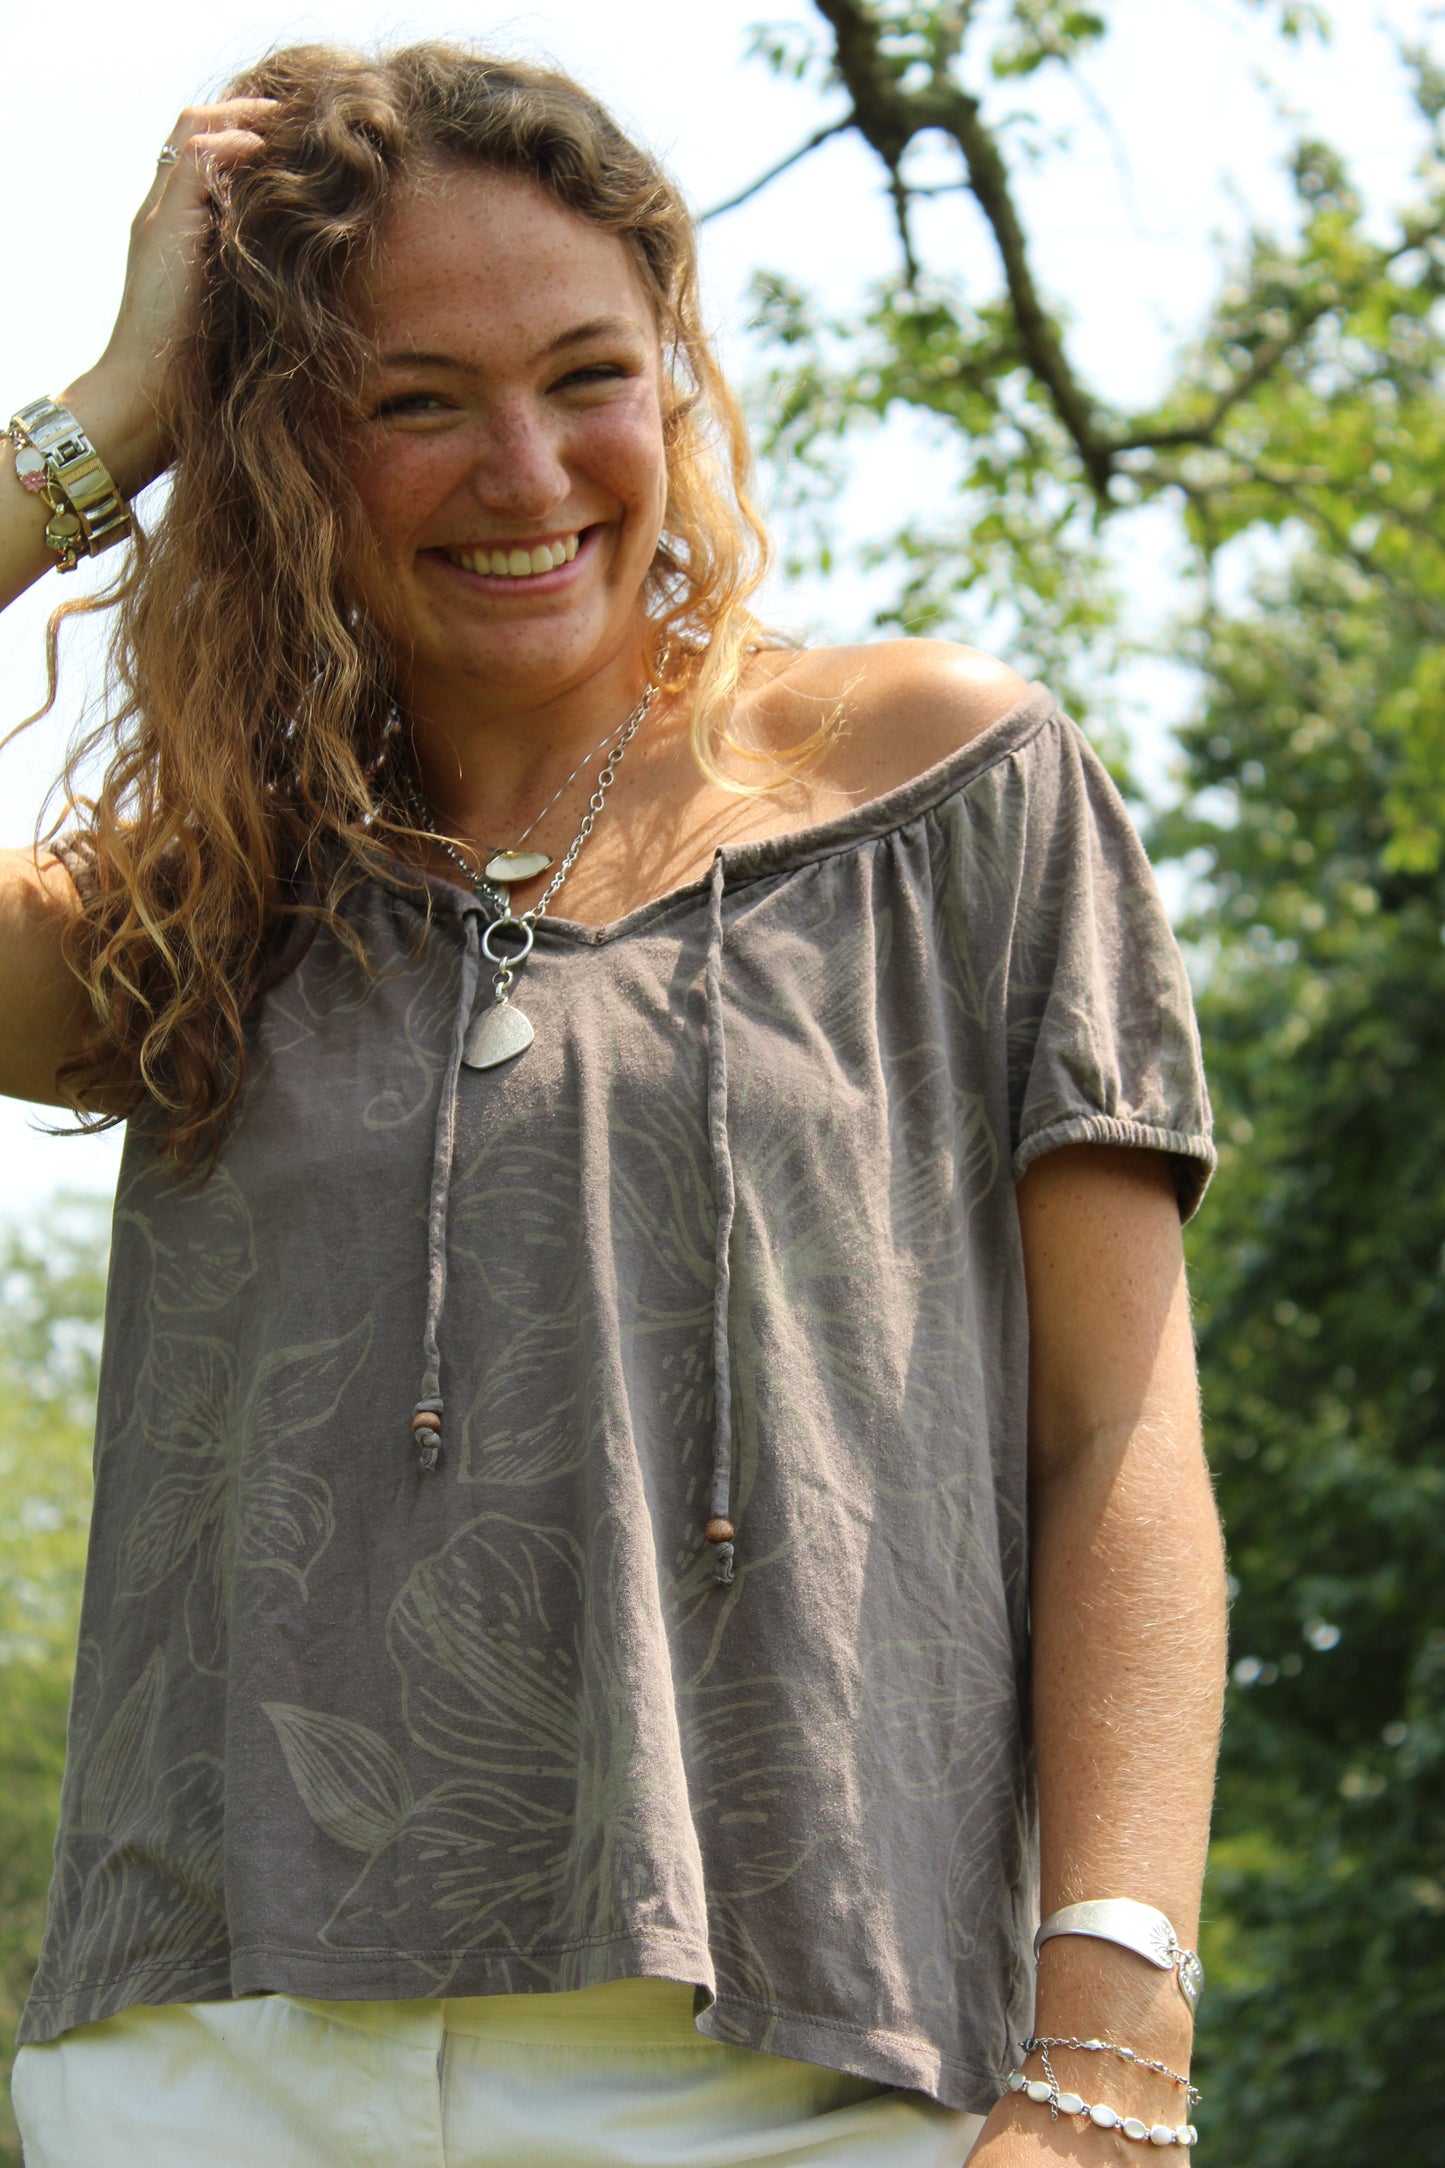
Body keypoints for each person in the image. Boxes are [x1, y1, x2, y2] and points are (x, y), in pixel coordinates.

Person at [0, 40, 1227, 2168]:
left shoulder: (946, 786)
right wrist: (103, 422)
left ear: (671, 381)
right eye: (414, 400)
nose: (527, 468)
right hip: (213, 2062)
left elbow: (1114, 1438)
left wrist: (1112, 2042)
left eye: (587, 377)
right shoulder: (213, 903)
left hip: (796, 2066)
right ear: (280, 443)